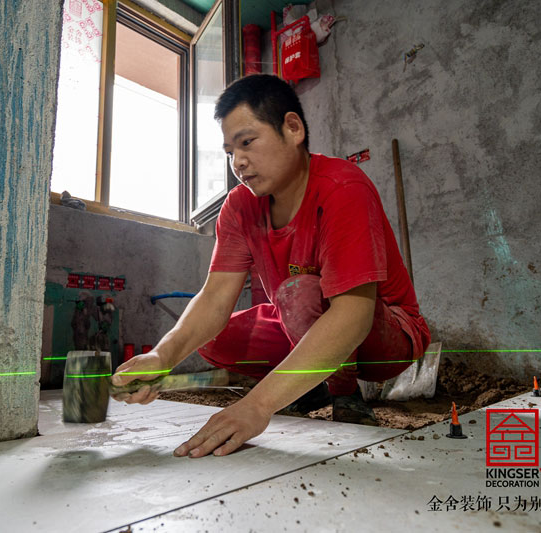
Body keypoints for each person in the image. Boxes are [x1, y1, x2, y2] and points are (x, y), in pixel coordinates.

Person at [111, 74, 430, 459]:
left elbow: (353, 315)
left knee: (300, 293)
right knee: (211, 335)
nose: (237, 162)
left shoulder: (344, 189)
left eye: (247, 143)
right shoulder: (239, 206)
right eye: (229, 151)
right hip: (298, 316)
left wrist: (257, 405)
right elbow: (214, 297)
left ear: (292, 128)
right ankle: (309, 383)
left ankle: (345, 394)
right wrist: (164, 356)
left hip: (385, 338)